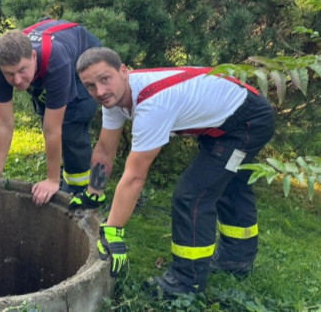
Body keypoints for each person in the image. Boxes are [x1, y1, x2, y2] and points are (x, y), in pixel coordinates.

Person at [75, 47, 275, 296]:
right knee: (230, 185)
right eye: (90, 86)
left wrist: (113, 230)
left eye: (105, 79)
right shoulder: (114, 99)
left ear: (124, 71)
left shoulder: (152, 104)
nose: (100, 91)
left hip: (248, 122)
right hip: (228, 120)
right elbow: (104, 151)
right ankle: (237, 259)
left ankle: (185, 283)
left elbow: (136, 176)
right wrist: (93, 192)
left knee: (192, 195)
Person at [0, 19, 102, 206]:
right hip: (49, 62)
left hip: (85, 60)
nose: (17, 80)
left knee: (70, 126)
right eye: (9, 74)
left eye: (22, 70)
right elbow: (3, 121)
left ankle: (82, 193)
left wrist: (51, 180)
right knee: (46, 114)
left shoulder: (56, 61)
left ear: (33, 56)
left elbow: (53, 129)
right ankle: (58, 177)